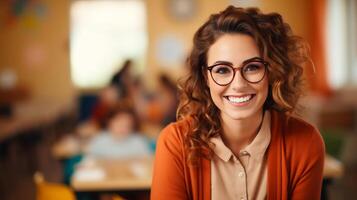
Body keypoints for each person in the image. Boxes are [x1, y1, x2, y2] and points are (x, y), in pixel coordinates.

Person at [151, 6, 325, 200]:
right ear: (206, 77)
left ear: (272, 72)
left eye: (252, 67)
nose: (239, 84)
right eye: (222, 70)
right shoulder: (175, 143)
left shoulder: (304, 142)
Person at [85, 104, 151, 159]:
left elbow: (147, 163)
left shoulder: (138, 141)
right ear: (109, 122)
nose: (122, 127)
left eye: (127, 124)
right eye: (119, 122)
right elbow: (88, 163)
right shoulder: (99, 140)